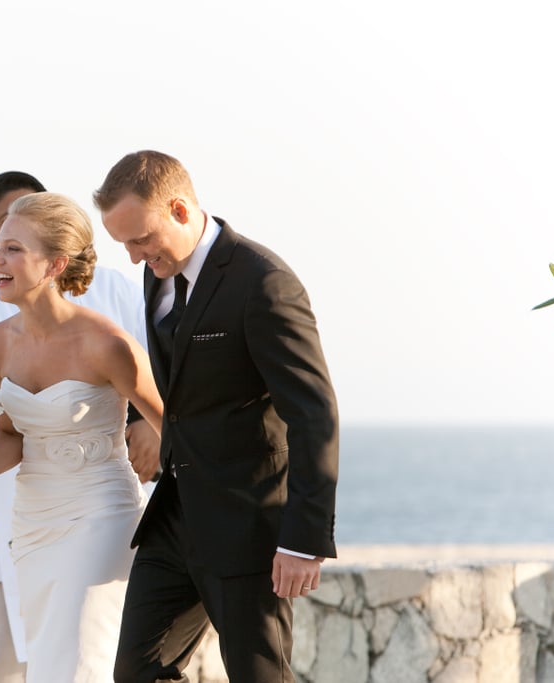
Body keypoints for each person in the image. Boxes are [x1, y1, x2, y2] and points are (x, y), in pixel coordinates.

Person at [0, 172, 157, 682]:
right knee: (47, 666)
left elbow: (175, 425)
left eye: (13, 249)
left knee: (82, 664)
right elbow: (13, 436)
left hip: (100, 517)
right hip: (32, 526)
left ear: (55, 263)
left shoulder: (106, 343)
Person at [93, 150, 339, 682]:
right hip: (176, 517)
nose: (134, 258)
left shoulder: (264, 282)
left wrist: (303, 539)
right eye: (125, 245)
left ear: (180, 210)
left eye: (140, 239)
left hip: (248, 524)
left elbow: (314, 414)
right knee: (136, 672)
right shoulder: (159, 273)